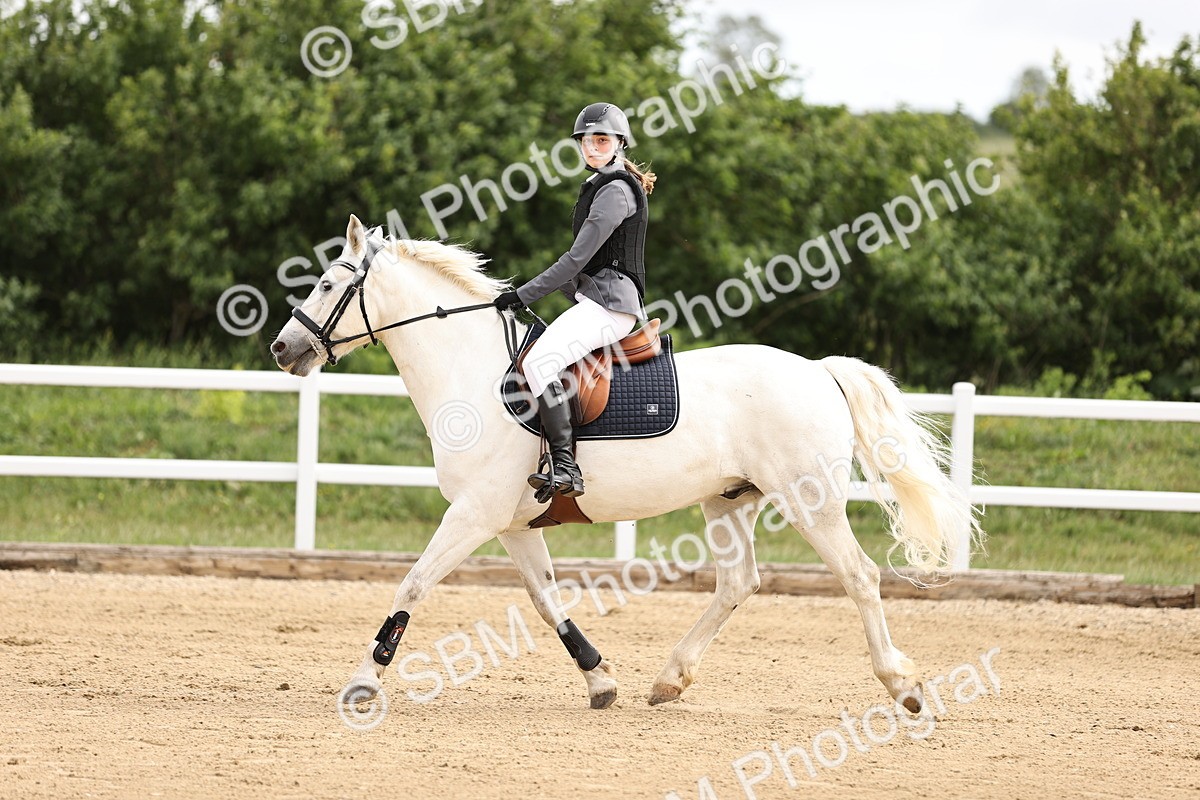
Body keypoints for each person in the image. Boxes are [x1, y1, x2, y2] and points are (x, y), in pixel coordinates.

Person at [494, 101, 657, 498]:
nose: (592, 147)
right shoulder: (602, 185)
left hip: (612, 306)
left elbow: (576, 260)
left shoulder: (615, 191)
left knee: (539, 362)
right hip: (599, 302)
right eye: (586, 141)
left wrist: (523, 293)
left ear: (619, 143)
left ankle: (567, 468)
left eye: (601, 140)